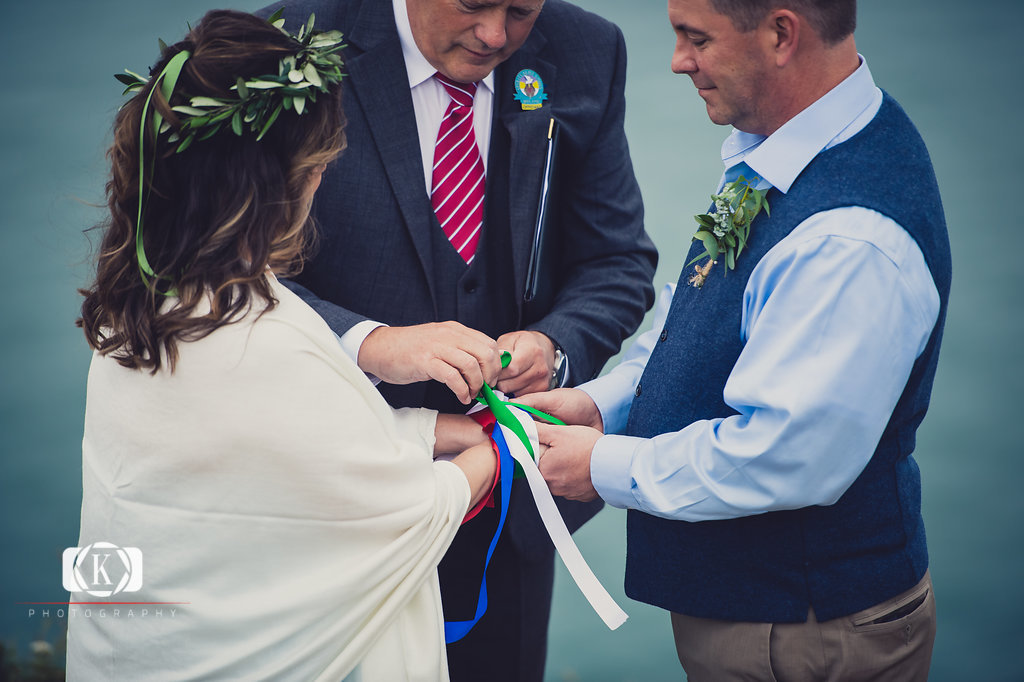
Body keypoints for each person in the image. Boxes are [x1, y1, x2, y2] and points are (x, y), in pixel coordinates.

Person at [521, 0, 951, 679]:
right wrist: (606, 405)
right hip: (768, 619)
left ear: (781, 34)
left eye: (697, 39)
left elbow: (784, 457)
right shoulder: (786, 147)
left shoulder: (847, 242)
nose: (678, 61)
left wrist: (602, 465)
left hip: (807, 634)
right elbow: (702, 306)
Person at [70, 10, 501, 680]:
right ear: (275, 187)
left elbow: (289, 450)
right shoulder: (266, 339)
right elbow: (408, 512)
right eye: (318, 165)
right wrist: (492, 454)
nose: (322, 178)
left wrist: (432, 430)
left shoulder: (137, 302)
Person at [257, 1, 658, 679]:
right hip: (324, 503)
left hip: (506, 514)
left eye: (521, 9)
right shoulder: (281, 43)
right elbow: (214, 268)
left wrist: (554, 346)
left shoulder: (587, 50)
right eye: (473, 3)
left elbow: (616, 262)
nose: (497, 35)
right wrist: (367, 342)